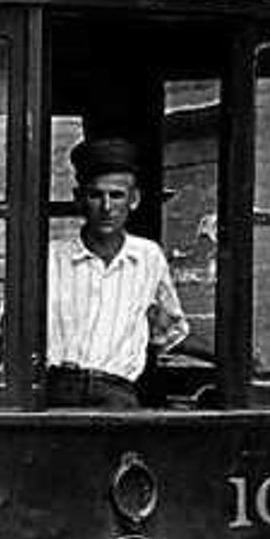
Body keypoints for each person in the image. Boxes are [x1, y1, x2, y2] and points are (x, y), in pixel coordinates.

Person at [46, 137, 187, 408]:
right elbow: (8, 331)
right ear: (79, 199)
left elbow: (169, 331)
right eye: (96, 195)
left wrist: (231, 357)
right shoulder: (51, 257)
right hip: (58, 392)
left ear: (133, 200)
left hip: (117, 395)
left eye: (117, 195)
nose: (107, 207)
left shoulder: (148, 258)